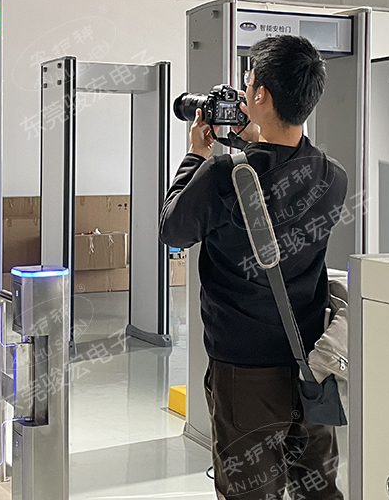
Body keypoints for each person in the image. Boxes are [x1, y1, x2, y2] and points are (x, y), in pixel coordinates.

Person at [160, 36, 348, 500]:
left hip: (244, 372)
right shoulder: (332, 176)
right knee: (318, 490)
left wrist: (196, 156)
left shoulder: (224, 175)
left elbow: (173, 229)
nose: (244, 93)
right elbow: (281, 179)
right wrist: (257, 143)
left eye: (248, 84)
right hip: (311, 365)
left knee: (249, 492)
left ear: (261, 94)